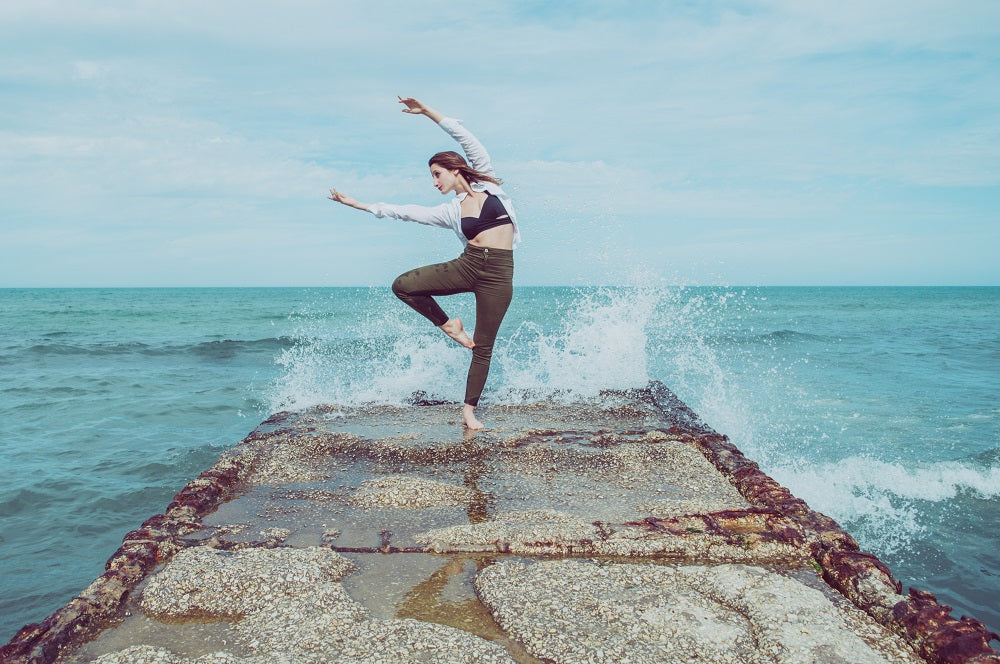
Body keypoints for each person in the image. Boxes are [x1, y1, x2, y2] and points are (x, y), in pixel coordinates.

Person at [328, 96, 521, 430]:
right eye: (432, 177)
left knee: (483, 346)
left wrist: (427, 112)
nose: (435, 183)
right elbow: (405, 211)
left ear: (455, 169)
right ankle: (448, 325)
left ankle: (469, 412)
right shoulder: (450, 211)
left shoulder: (488, 184)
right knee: (403, 285)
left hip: (500, 274)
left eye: (436, 174)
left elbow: (465, 138)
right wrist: (358, 204)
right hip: (469, 265)